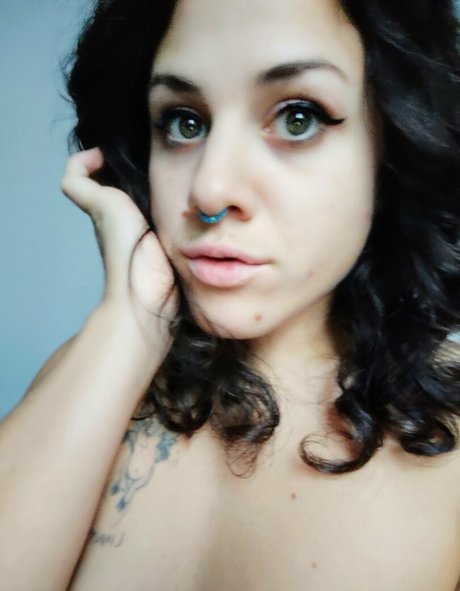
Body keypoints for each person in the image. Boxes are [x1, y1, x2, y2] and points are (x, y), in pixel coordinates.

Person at [1, 0, 459, 589]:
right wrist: (133, 319)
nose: (211, 190)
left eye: (297, 118)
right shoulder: (94, 371)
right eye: (184, 122)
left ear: (392, 143)